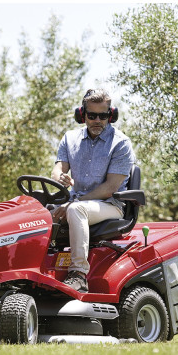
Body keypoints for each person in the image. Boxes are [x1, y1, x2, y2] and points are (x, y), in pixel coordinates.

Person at [51, 89, 135, 293]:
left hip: (110, 205)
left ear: (111, 115)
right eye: (92, 115)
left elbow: (110, 188)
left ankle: (78, 274)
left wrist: (74, 202)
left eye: (103, 116)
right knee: (34, 213)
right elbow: (58, 169)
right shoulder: (69, 138)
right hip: (76, 202)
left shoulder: (121, 143)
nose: (98, 120)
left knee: (75, 210)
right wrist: (59, 176)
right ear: (82, 115)